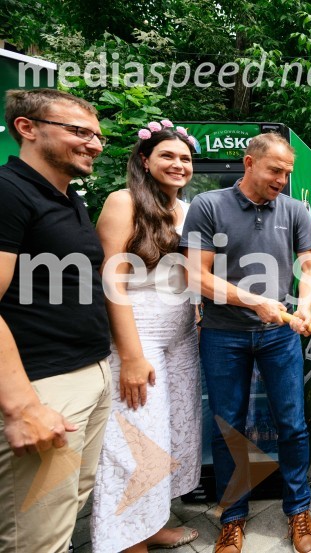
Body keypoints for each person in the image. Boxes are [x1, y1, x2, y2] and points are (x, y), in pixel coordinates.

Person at [181, 132, 311, 553]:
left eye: (287, 172)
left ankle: (298, 509)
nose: (282, 179)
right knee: (228, 427)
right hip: (223, 334)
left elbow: (309, 267)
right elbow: (195, 276)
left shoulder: (296, 210)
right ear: (249, 163)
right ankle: (233, 517)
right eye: (275, 170)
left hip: (280, 334)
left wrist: (307, 305)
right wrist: (252, 300)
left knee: (293, 424)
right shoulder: (209, 206)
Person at [0, 89, 112, 551]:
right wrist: (22, 406)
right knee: (35, 535)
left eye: (97, 135)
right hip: (44, 384)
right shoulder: (8, 192)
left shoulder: (67, 198)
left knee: (66, 510)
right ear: (27, 128)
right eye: (79, 131)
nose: (94, 143)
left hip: (90, 372)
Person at [90, 123, 202, 552]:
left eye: (185, 159)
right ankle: (124, 540)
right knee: (133, 440)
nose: (178, 165)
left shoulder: (188, 210)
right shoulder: (123, 202)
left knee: (170, 436)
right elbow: (110, 282)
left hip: (181, 337)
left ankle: (151, 524)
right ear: (144, 160)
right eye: (168, 156)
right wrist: (131, 356)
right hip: (138, 339)